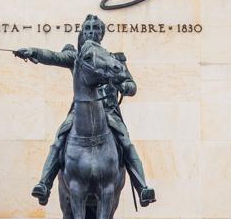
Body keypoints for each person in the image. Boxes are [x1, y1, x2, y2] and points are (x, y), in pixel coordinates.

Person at [14, 13, 156, 208]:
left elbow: (131, 84)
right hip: (80, 112)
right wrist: (33, 52)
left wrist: (126, 87)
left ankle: (142, 187)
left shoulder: (114, 59)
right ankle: (44, 184)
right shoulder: (78, 56)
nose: (91, 32)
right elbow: (55, 56)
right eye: (87, 29)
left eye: (95, 29)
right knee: (60, 138)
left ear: (101, 34)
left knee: (125, 141)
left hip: (108, 113)